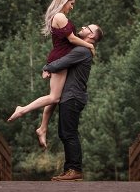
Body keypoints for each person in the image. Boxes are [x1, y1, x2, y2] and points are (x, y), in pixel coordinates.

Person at [7, 0, 95, 150]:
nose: (72, 7)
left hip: (62, 59)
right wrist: (90, 45)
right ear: (64, 1)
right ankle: (23, 110)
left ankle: (43, 128)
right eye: (71, 3)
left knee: (56, 97)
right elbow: (72, 39)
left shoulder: (60, 16)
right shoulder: (60, 17)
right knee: (54, 97)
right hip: (60, 59)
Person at [43, 23, 103, 181]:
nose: (83, 27)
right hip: (70, 96)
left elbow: (62, 62)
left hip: (73, 96)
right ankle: (69, 169)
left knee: (69, 134)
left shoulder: (82, 50)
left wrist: (47, 67)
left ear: (91, 36)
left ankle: (75, 170)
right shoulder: (82, 49)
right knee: (65, 133)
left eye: (87, 28)